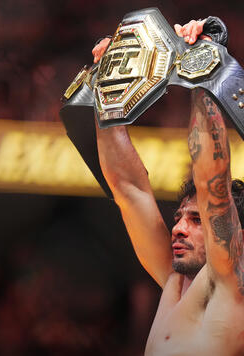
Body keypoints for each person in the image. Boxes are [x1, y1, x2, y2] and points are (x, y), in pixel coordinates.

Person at [93, 19, 244, 355]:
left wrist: (204, 67)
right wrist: (108, 91)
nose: (177, 228)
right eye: (179, 217)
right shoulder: (175, 282)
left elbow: (212, 180)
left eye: (195, 219)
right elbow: (128, 189)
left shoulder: (233, 282)